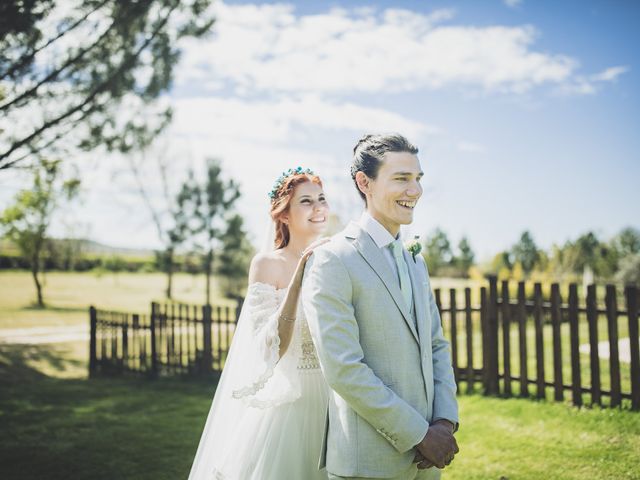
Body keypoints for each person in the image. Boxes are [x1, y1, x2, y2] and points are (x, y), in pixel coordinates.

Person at [302, 134, 460, 480]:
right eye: (401, 179)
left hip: (428, 463)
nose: (415, 190)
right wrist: (418, 434)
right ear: (364, 183)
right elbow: (343, 368)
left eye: (418, 179)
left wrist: (445, 422)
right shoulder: (333, 259)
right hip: (368, 464)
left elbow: (436, 344)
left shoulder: (415, 259)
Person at [188, 167, 331, 480]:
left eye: (321, 199)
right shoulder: (267, 263)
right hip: (290, 407)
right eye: (306, 201)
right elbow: (269, 348)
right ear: (283, 214)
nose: (318, 207)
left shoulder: (335, 260)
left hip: (336, 400)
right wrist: (297, 280)